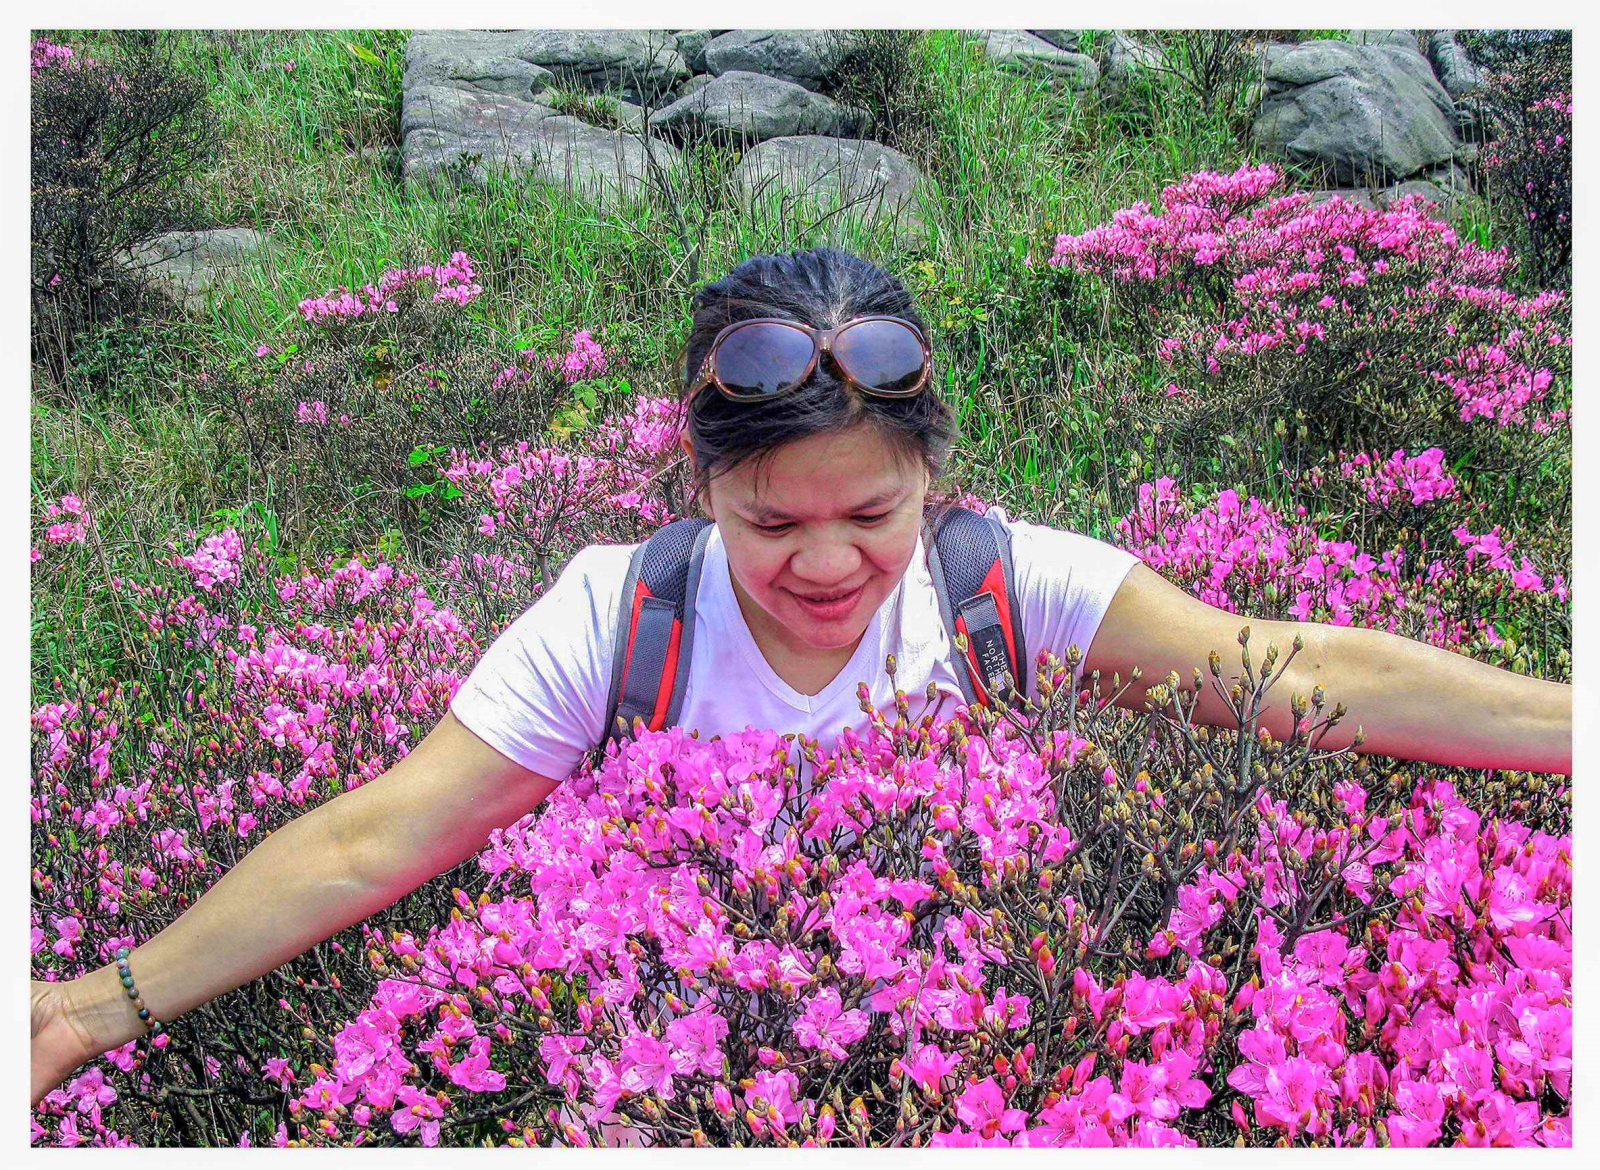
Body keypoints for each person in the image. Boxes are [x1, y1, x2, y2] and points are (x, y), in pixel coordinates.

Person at [30, 246, 1572, 1114]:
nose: (828, 562)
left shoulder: (1001, 580)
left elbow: (1295, 673)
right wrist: (94, 1009)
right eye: (773, 520)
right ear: (699, 485)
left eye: (873, 515)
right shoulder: (613, 617)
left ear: (934, 484)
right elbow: (378, 838)